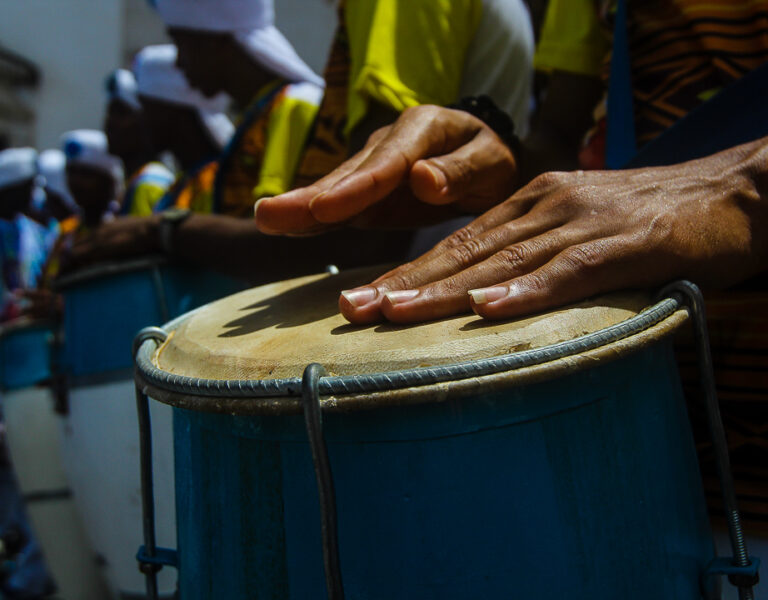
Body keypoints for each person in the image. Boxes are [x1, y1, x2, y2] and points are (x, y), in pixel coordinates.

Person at [154, 0, 325, 216]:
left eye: (181, 45)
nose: (179, 63)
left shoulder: (294, 104)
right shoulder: (257, 113)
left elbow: (270, 226)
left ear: (214, 42)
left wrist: (162, 230)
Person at [133, 44, 234, 214]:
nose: (140, 120)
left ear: (174, 111)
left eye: (146, 109)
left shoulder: (215, 182)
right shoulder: (184, 182)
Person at [103, 69, 175, 216]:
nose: (109, 122)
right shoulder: (135, 182)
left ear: (148, 122)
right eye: (110, 112)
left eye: (121, 113)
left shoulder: (150, 184)